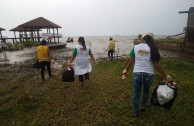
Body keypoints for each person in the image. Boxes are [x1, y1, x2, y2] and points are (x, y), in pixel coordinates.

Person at [123, 32, 167, 117]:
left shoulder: (135, 47)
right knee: (146, 91)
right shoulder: (153, 48)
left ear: (143, 39)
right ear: (152, 39)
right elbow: (156, 65)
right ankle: (143, 107)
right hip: (149, 74)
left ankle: (135, 112)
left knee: (136, 94)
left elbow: (131, 61)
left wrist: (126, 70)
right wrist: (164, 75)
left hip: (137, 74)